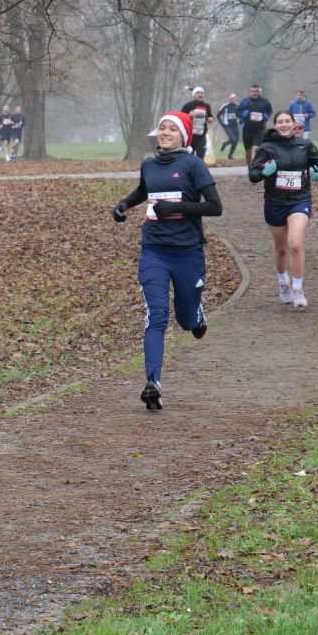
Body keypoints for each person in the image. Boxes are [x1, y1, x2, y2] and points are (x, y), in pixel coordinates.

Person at [109, 111, 221, 411]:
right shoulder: (149, 164)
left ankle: (197, 314)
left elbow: (215, 206)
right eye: (162, 128)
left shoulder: (193, 165)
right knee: (156, 314)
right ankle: (152, 383)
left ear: (183, 135)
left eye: (172, 129)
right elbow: (144, 191)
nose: (165, 133)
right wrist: (124, 205)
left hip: (187, 252)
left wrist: (177, 206)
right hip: (154, 250)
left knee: (185, 321)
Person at [248, 111, 318, 309]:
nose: (284, 125)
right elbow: (253, 174)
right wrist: (264, 172)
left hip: (299, 200)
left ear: (294, 124)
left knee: (295, 243)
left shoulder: (305, 145)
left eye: (287, 121)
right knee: (281, 248)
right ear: (275, 125)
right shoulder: (267, 147)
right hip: (275, 202)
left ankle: (298, 289)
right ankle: (284, 284)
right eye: (280, 122)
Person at [237, 84, 274, 165]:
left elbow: (269, 111)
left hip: (260, 129)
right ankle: (249, 167)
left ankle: (255, 166)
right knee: (248, 151)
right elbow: (238, 112)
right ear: (250, 92)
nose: (254, 93)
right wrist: (247, 114)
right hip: (247, 129)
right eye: (252, 91)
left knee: (256, 148)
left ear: (259, 91)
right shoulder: (245, 101)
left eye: (256, 91)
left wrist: (264, 117)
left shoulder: (265, 101)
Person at [179, 86, 213, 159]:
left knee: (200, 157)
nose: (200, 94)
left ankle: (199, 169)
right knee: (189, 157)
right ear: (194, 95)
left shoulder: (207, 106)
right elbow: (180, 118)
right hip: (190, 136)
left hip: (201, 135)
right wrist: (189, 116)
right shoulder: (188, 105)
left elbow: (210, 116)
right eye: (198, 93)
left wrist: (211, 119)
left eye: (201, 93)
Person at [217, 91, 241, 159]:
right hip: (227, 126)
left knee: (236, 141)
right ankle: (224, 144)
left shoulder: (238, 106)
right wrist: (222, 124)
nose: (233, 99)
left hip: (235, 125)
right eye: (232, 98)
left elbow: (241, 114)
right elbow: (218, 115)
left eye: (234, 98)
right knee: (233, 139)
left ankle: (230, 156)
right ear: (229, 99)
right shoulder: (225, 106)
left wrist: (240, 120)